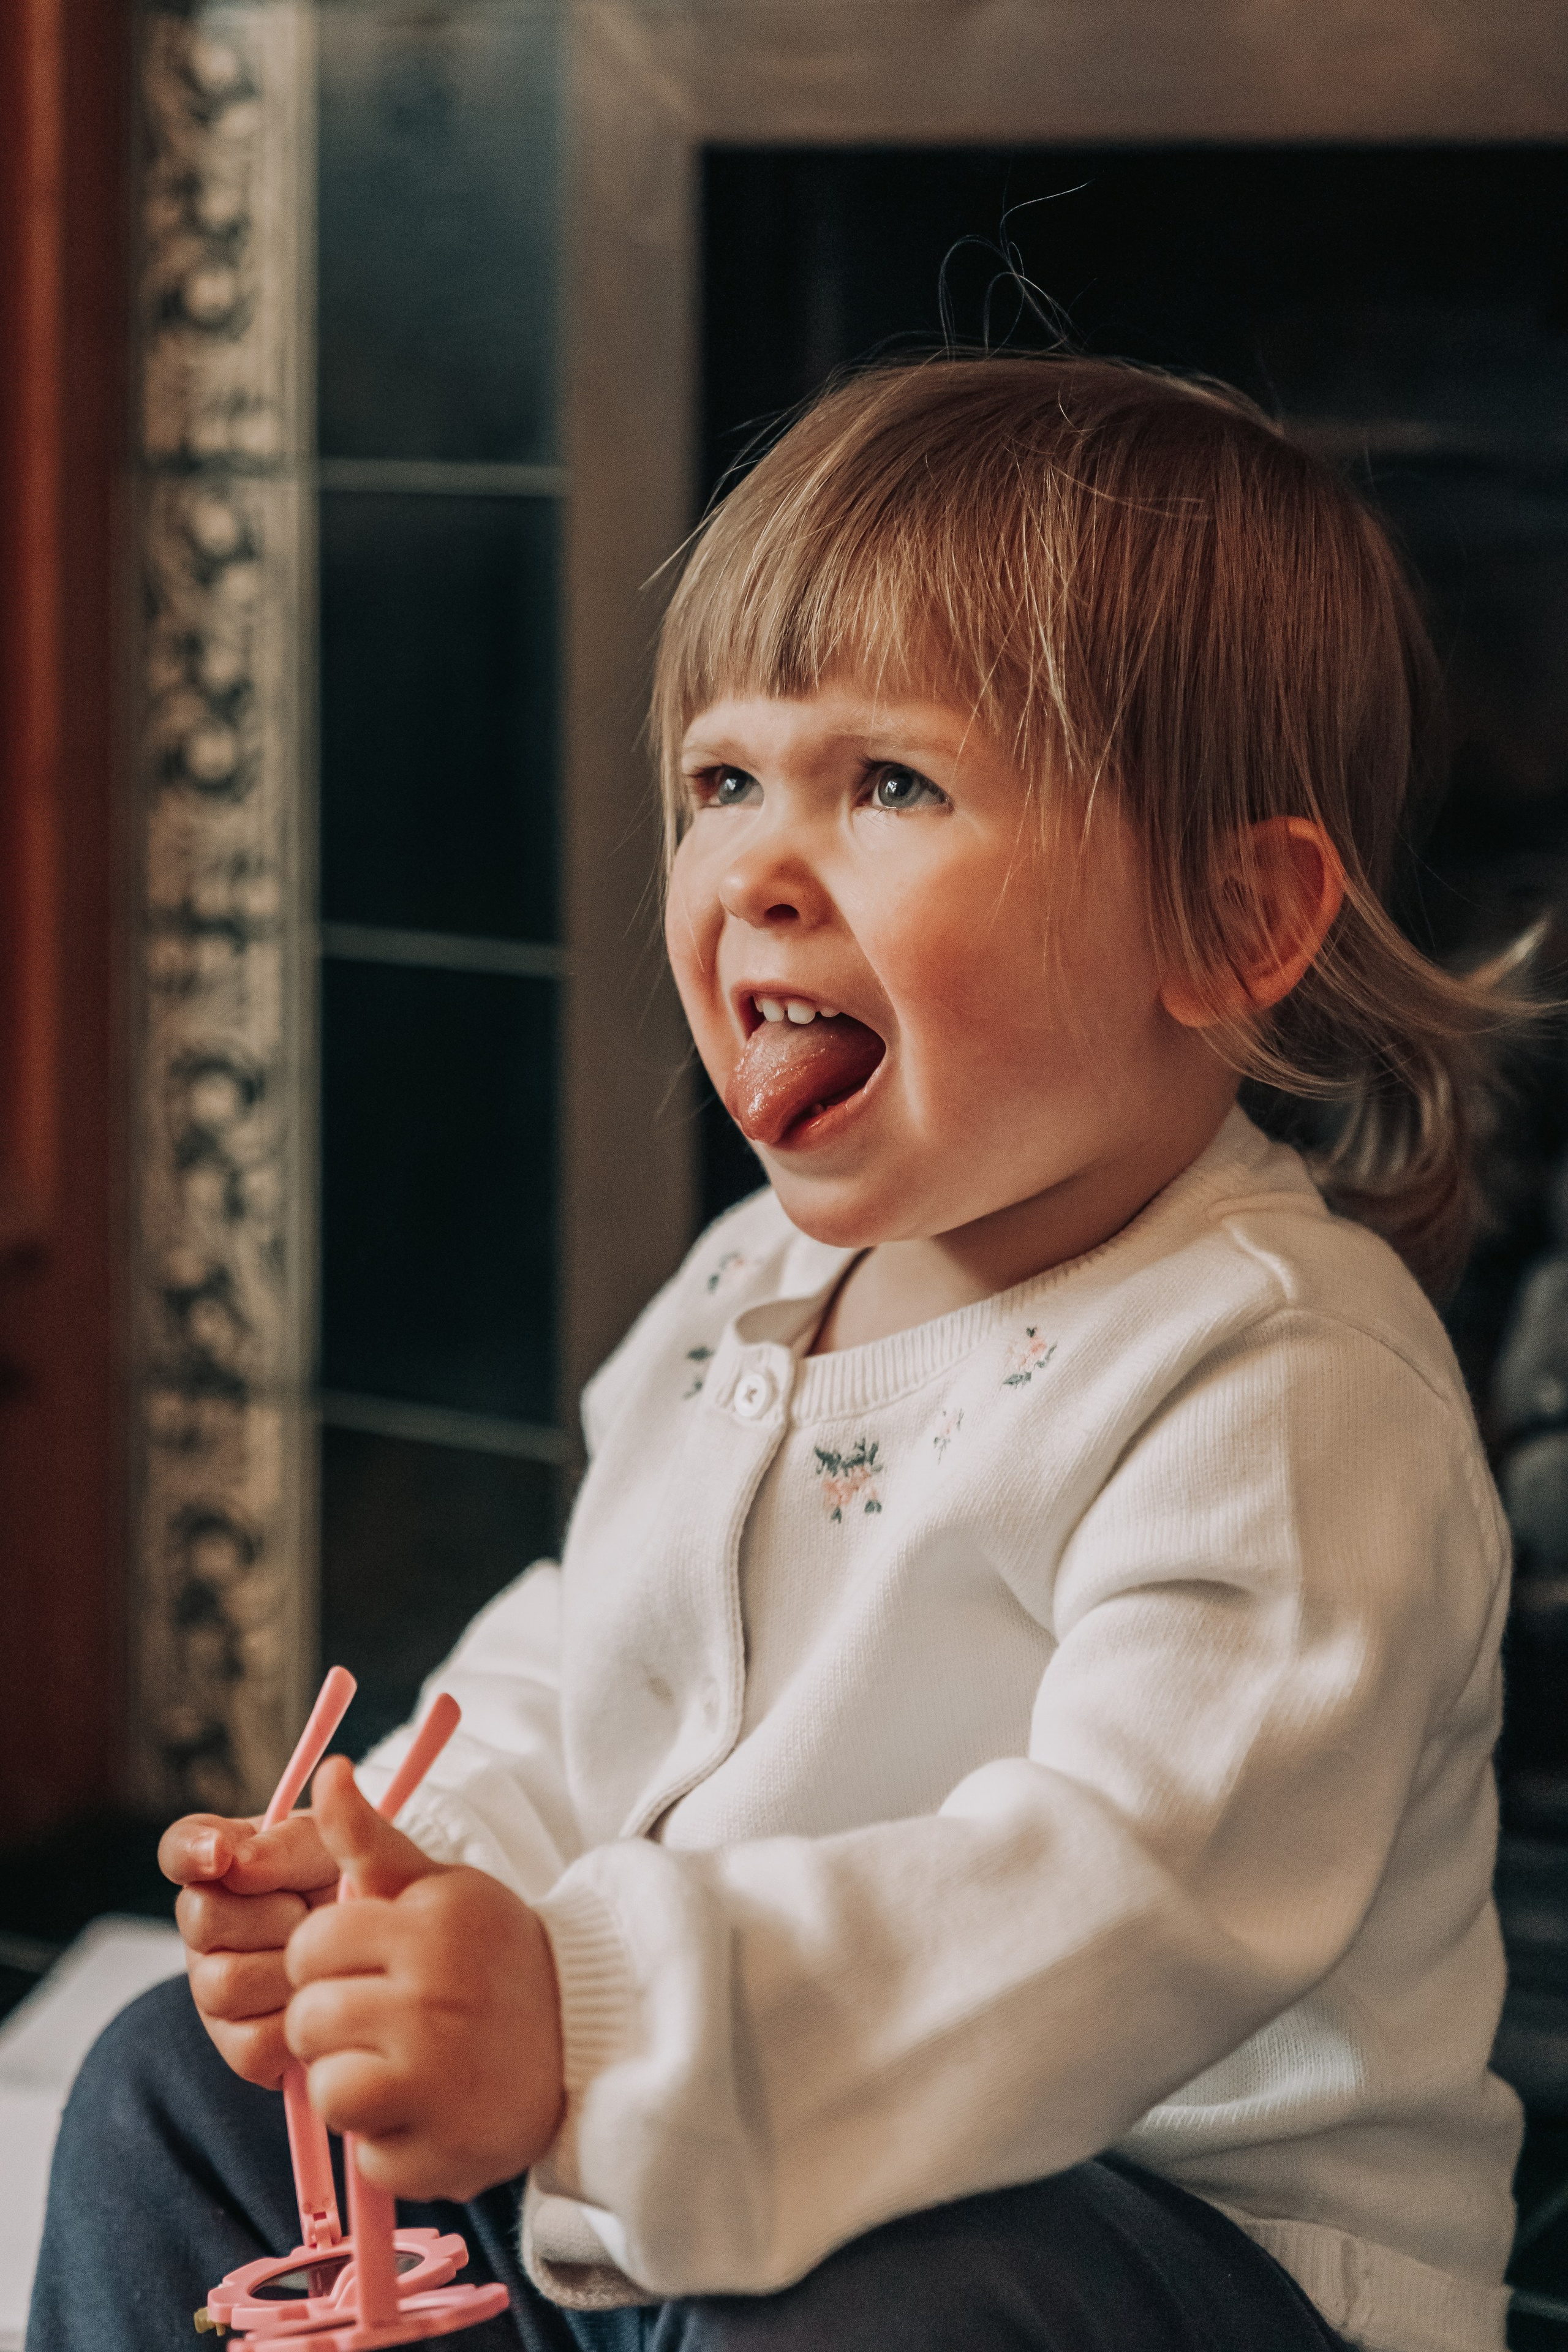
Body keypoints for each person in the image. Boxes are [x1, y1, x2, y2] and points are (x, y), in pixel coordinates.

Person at [31, 355, 1530, 2352]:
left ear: (1231, 921)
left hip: (1166, 2251)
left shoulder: (1280, 1385)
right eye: (722, 783)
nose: (756, 866)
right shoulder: (751, 1285)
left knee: (880, 2306)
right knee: (174, 2091)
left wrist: (579, 2017)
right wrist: (401, 1895)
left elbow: (1109, 1907)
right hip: (686, 2164)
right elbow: (589, 1668)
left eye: (888, 784)